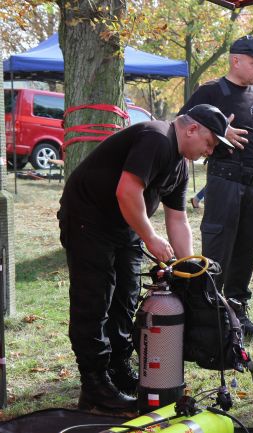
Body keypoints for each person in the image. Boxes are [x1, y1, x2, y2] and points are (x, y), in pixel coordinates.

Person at [57, 104, 233, 413]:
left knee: (125, 299)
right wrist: (151, 236)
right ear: (192, 129)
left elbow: (178, 220)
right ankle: (94, 385)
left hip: (125, 227)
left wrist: (188, 265)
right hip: (89, 219)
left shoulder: (179, 164)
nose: (208, 152)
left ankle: (119, 370)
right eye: (209, 143)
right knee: (94, 300)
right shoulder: (156, 138)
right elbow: (127, 191)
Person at [178, 35, 253, 338]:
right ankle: (209, 319)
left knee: (245, 251)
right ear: (235, 60)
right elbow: (181, 123)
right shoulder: (212, 91)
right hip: (224, 180)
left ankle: (238, 316)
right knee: (218, 252)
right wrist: (219, 129)